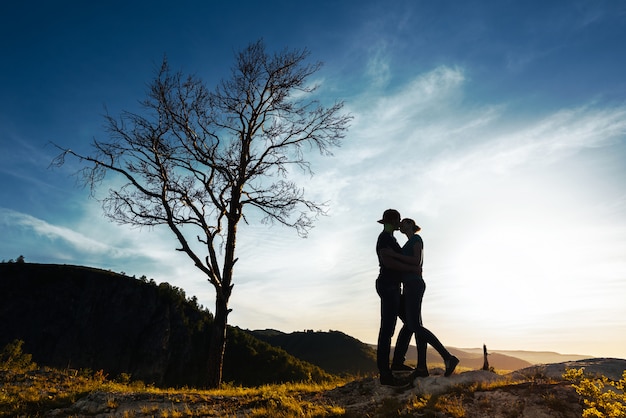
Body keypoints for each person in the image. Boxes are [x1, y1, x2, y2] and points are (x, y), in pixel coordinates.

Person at [387, 218, 459, 378]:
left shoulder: (416, 239)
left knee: (413, 325)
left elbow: (416, 260)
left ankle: (448, 357)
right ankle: (420, 367)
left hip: (414, 284)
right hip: (409, 285)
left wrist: (395, 257)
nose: (401, 224)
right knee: (412, 325)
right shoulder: (406, 243)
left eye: (404, 222)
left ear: (411, 225)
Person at [375, 209, 421, 386]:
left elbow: (395, 259)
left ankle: (397, 363)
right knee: (387, 329)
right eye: (398, 220)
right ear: (393, 221)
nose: (400, 222)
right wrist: (411, 269)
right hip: (388, 286)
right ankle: (385, 374)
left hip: (393, 286)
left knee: (410, 322)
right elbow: (388, 262)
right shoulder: (385, 238)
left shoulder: (390, 238)